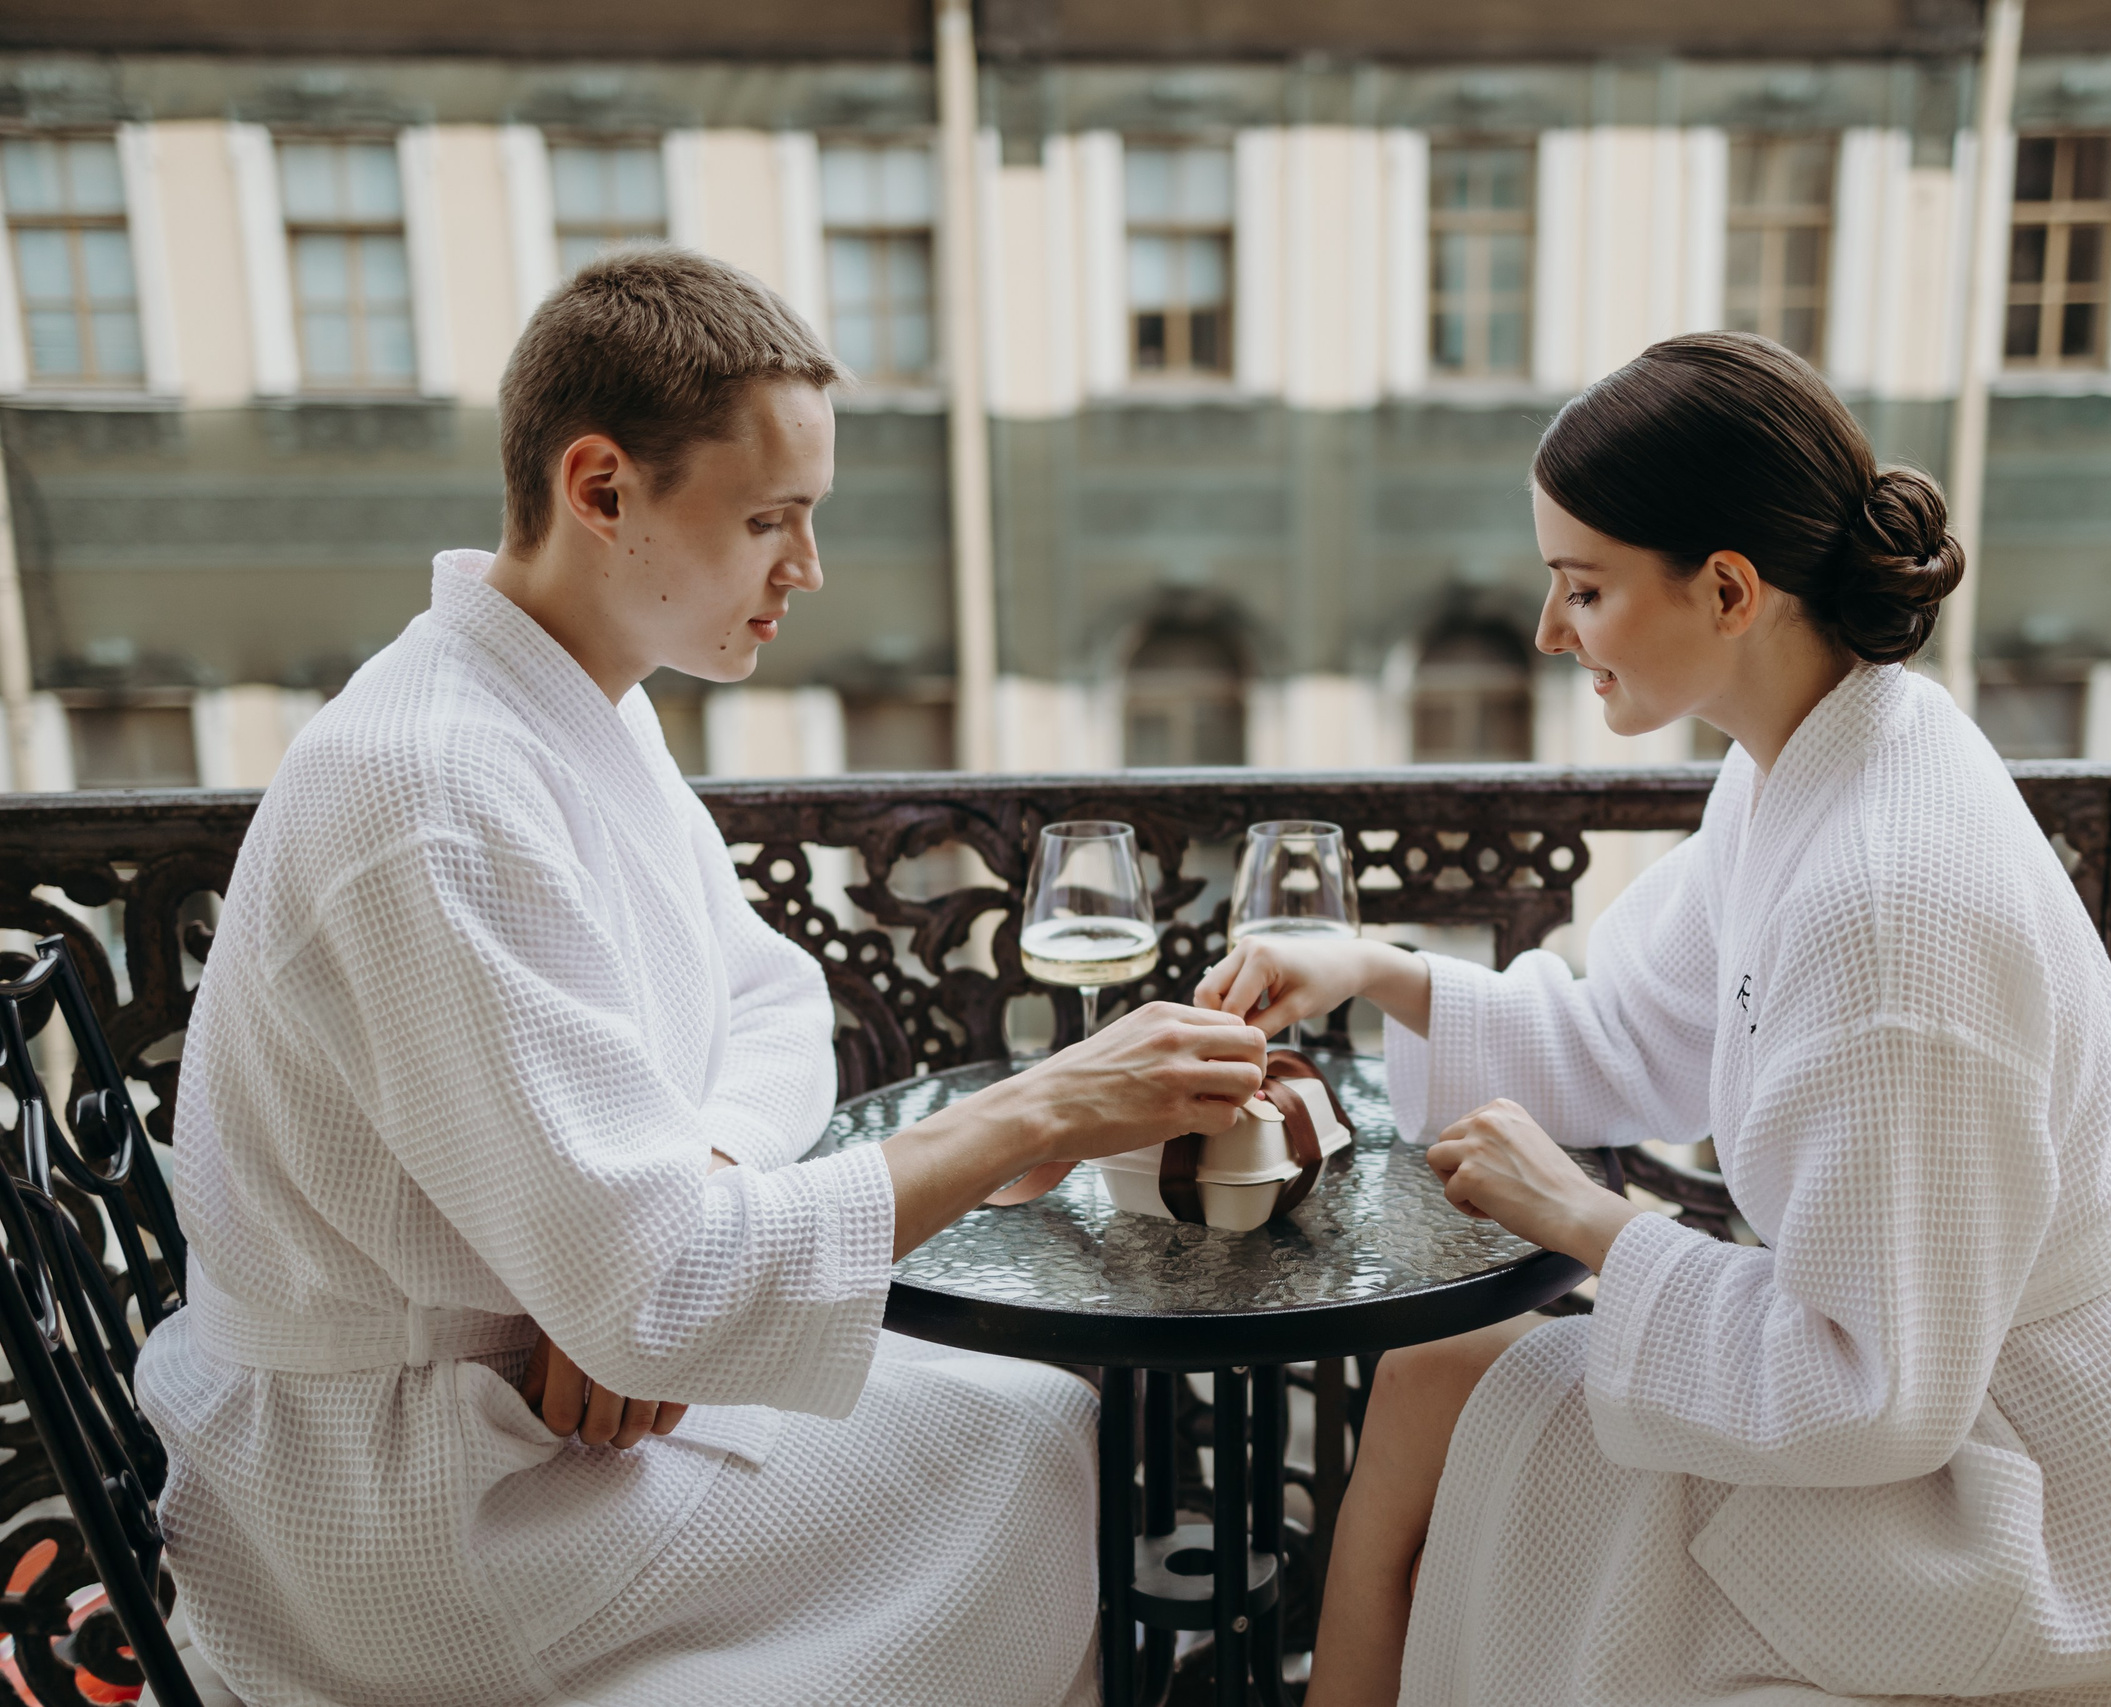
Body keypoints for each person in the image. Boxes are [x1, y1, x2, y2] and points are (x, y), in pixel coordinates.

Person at [136, 248, 1267, 1707]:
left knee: (1040, 1413)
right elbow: (659, 1288)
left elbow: (773, 999)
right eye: (769, 520)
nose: (806, 570)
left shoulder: (571, 703)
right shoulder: (434, 787)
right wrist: (1036, 1115)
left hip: (536, 1396)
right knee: (1036, 1435)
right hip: (409, 1505)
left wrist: (677, 1194)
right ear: (600, 489)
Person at [1198, 333, 2111, 1706]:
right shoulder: (1809, 756)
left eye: (1582, 588)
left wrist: (1595, 1225)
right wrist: (1374, 967)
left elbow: (1876, 1392)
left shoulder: (1887, 907)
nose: (1551, 634)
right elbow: (1637, 1035)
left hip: (2047, 1508)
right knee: (1431, 1381)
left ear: (1726, 590)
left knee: (1485, 1438)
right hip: (1953, 1408)